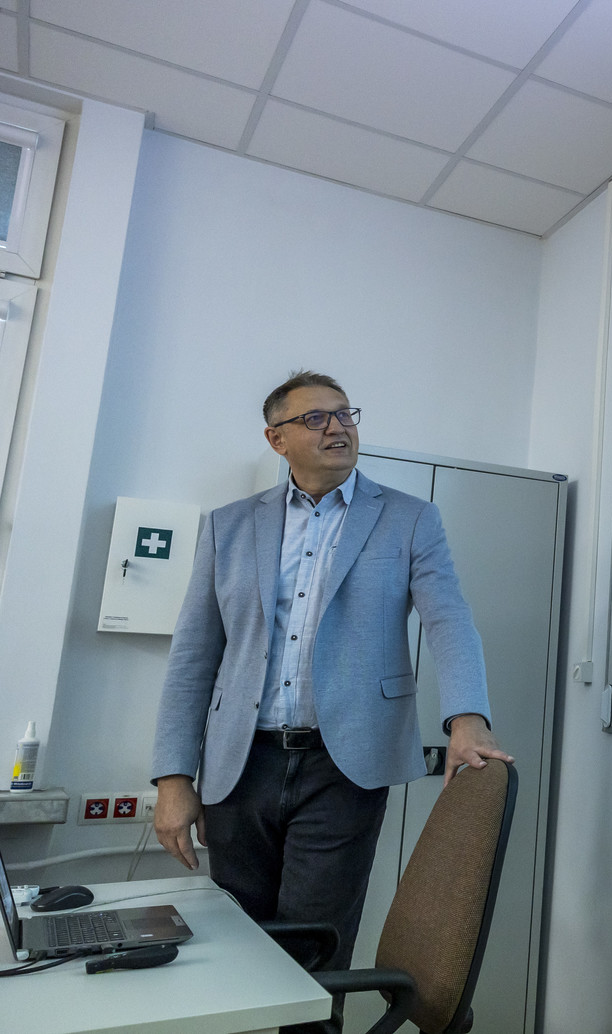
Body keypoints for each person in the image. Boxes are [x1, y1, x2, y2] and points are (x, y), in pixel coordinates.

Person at [151, 370, 509, 1032]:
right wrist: (173, 777)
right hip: (239, 766)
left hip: (344, 765)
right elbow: (194, 656)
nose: (337, 427)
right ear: (277, 438)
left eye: (345, 414)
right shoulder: (229, 526)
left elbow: (449, 619)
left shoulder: (409, 517)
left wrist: (468, 718)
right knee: (238, 944)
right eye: (315, 418)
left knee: (314, 951)